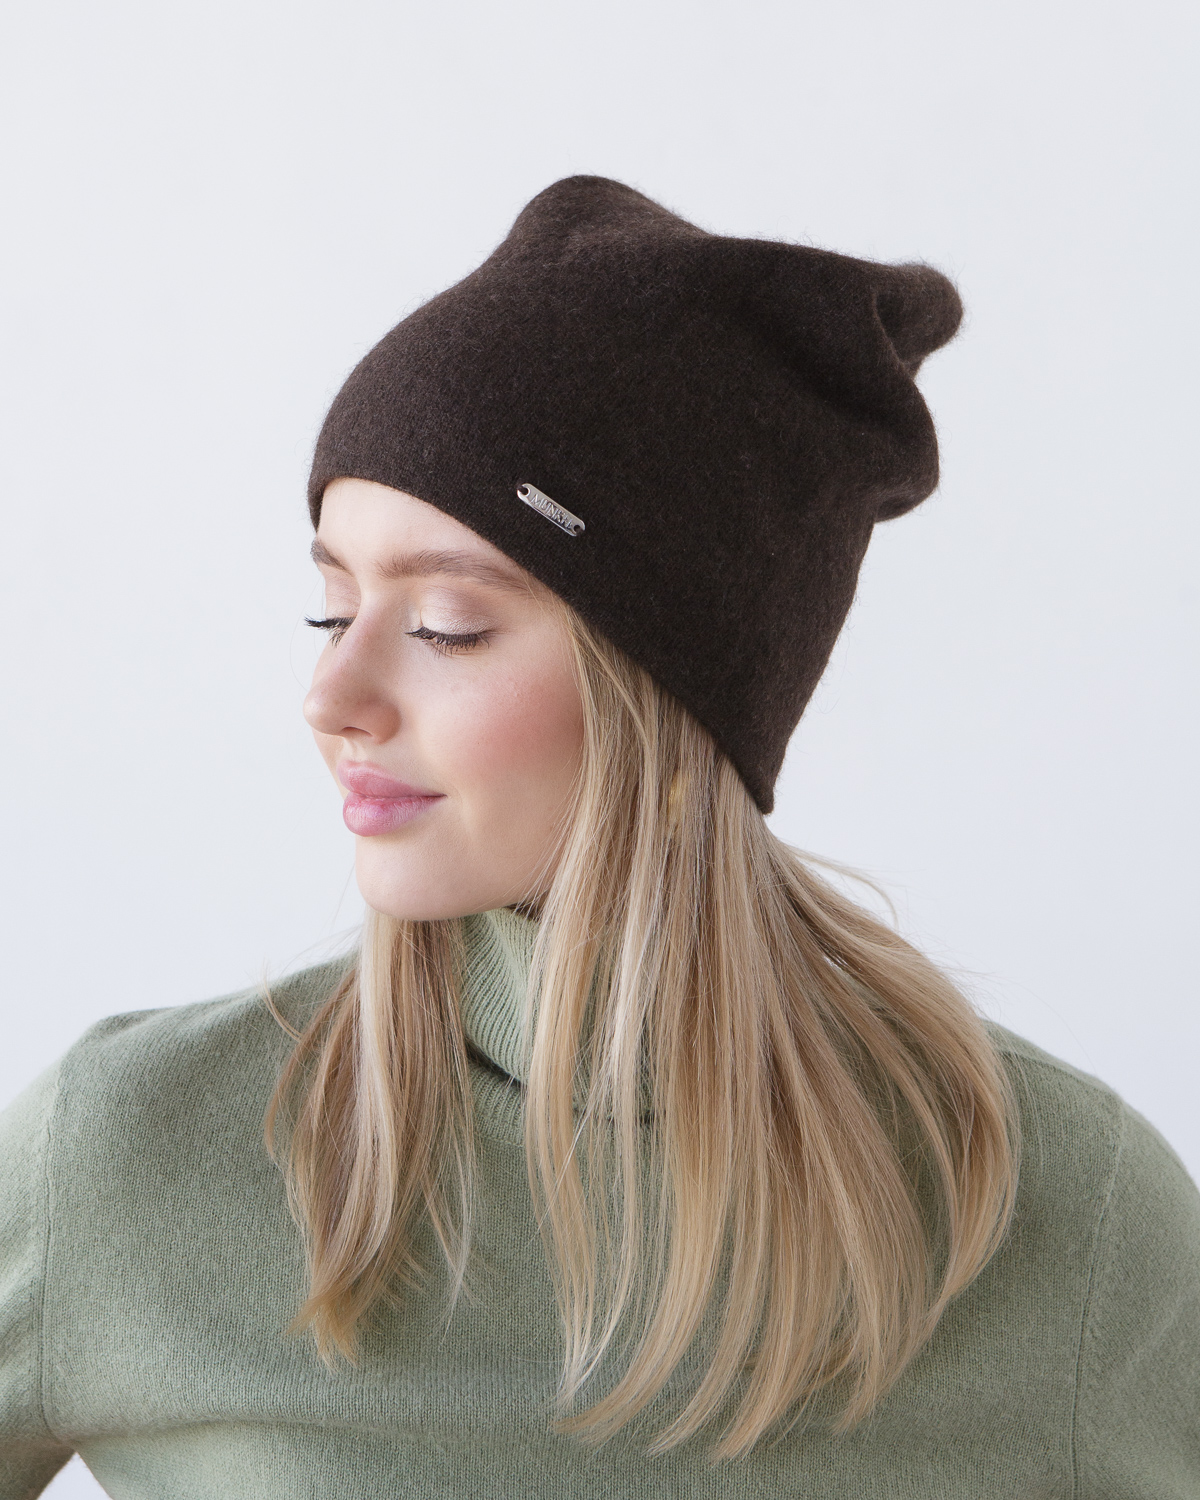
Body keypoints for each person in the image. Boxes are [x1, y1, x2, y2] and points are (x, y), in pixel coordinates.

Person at [1, 176, 1197, 1499]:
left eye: (448, 625)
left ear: (668, 695)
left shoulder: (1067, 1219)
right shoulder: (126, 1153)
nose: (331, 698)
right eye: (330, 609)